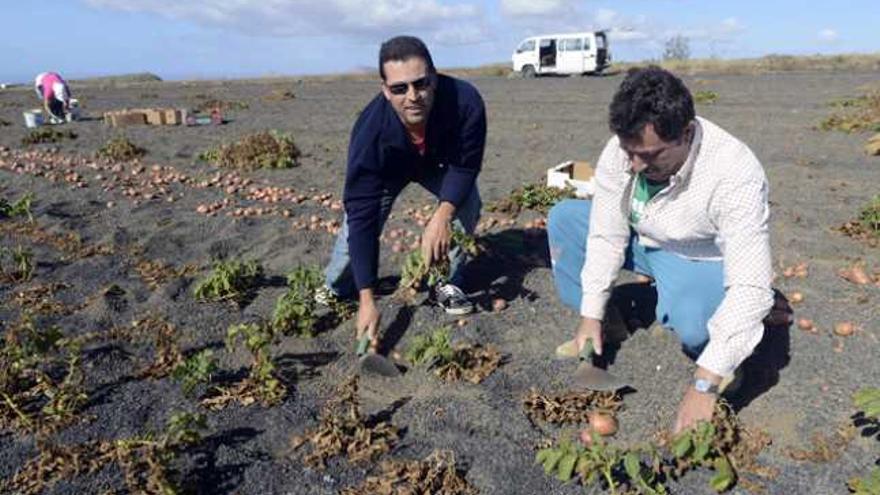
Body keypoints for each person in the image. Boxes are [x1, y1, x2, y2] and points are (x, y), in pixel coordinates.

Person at [547, 66, 777, 433]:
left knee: (699, 331)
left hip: (695, 256)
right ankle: (607, 325)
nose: (635, 165)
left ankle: (724, 342)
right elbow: (606, 235)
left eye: (650, 155)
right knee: (565, 220)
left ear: (685, 133)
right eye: (629, 151)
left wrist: (705, 381)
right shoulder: (623, 152)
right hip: (645, 240)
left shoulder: (734, 171)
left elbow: (750, 285)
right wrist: (591, 312)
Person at [320, 36, 486, 351]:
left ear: (434, 77)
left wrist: (442, 216)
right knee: (349, 242)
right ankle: (331, 288)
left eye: (421, 84)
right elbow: (362, 216)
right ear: (385, 90)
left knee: (467, 202)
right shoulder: (370, 134)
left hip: (436, 163)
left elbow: (465, 168)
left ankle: (444, 284)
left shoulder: (466, 101)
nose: (413, 96)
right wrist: (367, 298)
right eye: (399, 88)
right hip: (388, 170)